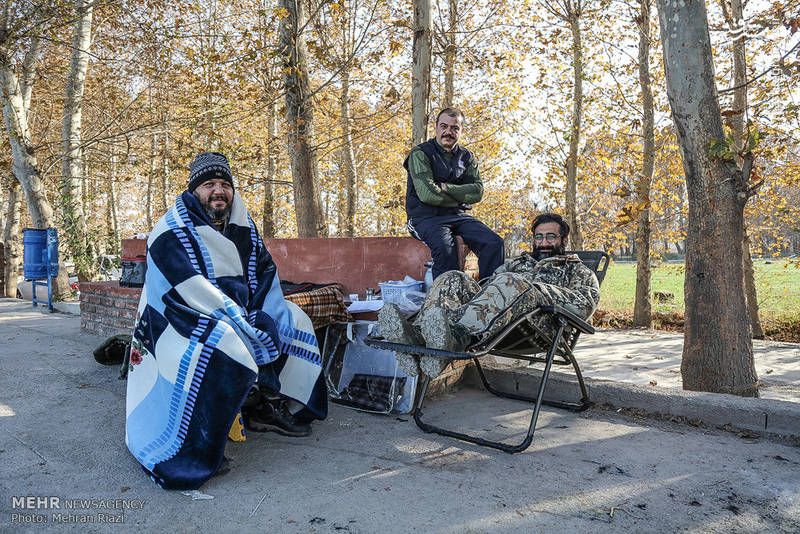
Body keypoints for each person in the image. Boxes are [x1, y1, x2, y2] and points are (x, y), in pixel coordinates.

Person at [125, 152, 327, 490]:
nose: (218, 191)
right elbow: (187, 289)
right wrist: (238, 319)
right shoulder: (170, 230)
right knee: (224, 341)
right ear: (194, 191)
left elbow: (265, 274)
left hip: (235, 311)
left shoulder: (243, 226)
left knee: (294, 318)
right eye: (209, 184)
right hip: (177, 318)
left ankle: (267, 405)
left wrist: (259, 315)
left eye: (224, 184)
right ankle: (201, 440)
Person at [379, 212, 600, 378]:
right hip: (494, 324)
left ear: (564, 240)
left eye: (551, 237)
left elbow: (585, 305)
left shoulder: (577, 271)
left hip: (535, 330)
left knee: (511, 282)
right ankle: (419, 337)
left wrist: (536, 289)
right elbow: (488, 287)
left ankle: (452, 337)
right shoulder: (517, 264)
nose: (543, 243)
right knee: (453, 277)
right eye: (539, 237)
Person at [404, 107, 505, 280]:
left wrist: (448, 188)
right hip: (424, 217)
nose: (448, 132)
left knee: (494, 243)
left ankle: (489, 292)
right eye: (444, 126)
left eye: (454, 128)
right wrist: (461, 199)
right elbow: (427, 195)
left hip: (457, 217)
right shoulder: (420, 153)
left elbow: (477, 192)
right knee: (445, 248)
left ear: (461, 131)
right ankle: (445, 296)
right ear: (436, 127)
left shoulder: (467, 157)